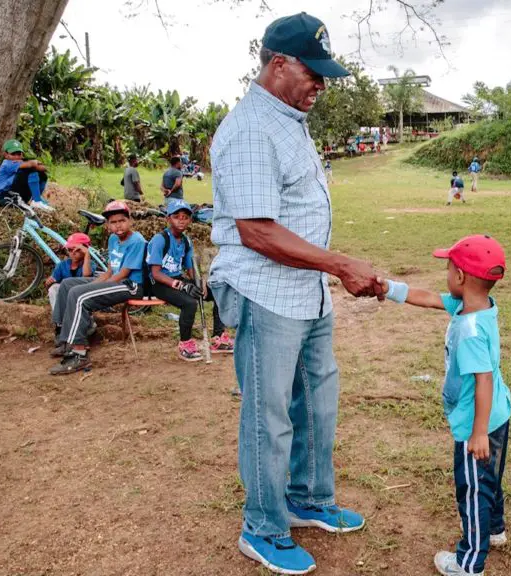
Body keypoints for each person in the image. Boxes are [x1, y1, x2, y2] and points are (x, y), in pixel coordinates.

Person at [207, 12, 381, 575]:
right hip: (266, 294)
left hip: (307, 294)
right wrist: (341, 264)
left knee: (318, 402)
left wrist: (328, 273)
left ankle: (307, 499)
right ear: (277, 63)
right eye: (314, 71)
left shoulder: (288, 120)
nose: (321, 84)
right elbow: (256, 231)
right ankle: (262, 526)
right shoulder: (252, 127)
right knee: (270, 415)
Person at [377, 234, 511, 576]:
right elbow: (425, 298)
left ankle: (469, 563)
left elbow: (483, 380)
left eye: (449, 268)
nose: (446, 274)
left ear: (462, 278)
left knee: (472, 490)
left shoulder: (468, 330)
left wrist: (477, 433)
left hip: (476, 424)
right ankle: (494, 529)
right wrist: (388, 288)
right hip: (499, 413)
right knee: (490, 479)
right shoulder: (477, 307)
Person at [48, 201, 146, 375]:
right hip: (115, 280)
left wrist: (91, 288)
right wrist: (93, 284)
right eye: (113, 222)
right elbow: (110, 271)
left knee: (80, 295)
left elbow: (123, 274)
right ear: (107, 225)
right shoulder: (113, 239)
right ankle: (65, 338)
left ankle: (79, 354)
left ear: (130, 220)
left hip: (130, 285)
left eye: (122, 220)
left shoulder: (137, 241)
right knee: (68, 284)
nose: (118, 225)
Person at [147, 199, 234, 361]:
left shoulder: (186, 241)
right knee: (189, 303)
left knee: (215, 293)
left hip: (177, 279)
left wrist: (199, 282)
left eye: (185, 217)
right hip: (159, 283)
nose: (181, 220)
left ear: (190, 220)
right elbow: (156, 273)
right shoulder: (160, 240)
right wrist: (181, 286)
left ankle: (218, 338)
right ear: (168, 219)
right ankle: (185, 344)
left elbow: (190, 268)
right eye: (176, 216)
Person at [0, 139, 54, 212]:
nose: (16, 157)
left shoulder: (21, 162)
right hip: (5, 193)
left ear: (22, 155)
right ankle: (37, 201)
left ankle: (37, 200)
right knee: (27, 171)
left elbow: (44, 169)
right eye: (13, 154)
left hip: (17, 192)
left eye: (19, 154)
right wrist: (34, 163)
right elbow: (31, 164)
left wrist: (35, 164)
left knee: (42, 174)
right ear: (6, 155)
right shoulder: (7, 163)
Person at [45, 233, 93, 314]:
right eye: (70, 250)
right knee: (53, 288)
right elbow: (50, 284)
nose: (72, 253)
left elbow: (86, 275)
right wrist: (49, 283)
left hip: (81, 297)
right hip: (66, 297)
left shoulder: (89, 264)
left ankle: (84, 317)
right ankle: (60, 320)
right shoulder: (62, 265)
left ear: (85, 250)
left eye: (77, 250)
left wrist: (87, 255)